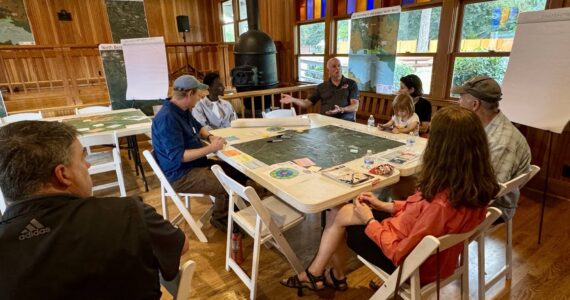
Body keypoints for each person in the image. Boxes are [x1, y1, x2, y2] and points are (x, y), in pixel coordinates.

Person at [281, 105, 500, 294]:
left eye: (431, 135)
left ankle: (324, 276)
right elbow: (420, 208)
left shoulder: (441, 204)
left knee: (339, 214)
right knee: (339, 210)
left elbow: (399, 253)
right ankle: (319, 274)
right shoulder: (471, 185)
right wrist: (385, 205)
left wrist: (370, 221)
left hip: (413, 266)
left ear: (441, 149)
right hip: (435, 256)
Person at [0, 121, 188, 300]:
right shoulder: (129, 214)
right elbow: (181, 245)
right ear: (63, 175)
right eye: (82, 158)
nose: (88, 165)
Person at [152, 74, 248, 231]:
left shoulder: (181, 108)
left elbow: (198, 126)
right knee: (228, 183)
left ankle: (230, 209)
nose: (200, 97)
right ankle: (220, 219)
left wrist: (210, 136)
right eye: (198, 94)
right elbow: (180, 156)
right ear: (189, 94)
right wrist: (211, 148)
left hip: (195, 164)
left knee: (238, 172)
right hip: (181, 174)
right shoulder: (167, 119)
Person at [454, 75, 531, 222]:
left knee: (421, 200)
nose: (459, 102)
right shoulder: (484, 126)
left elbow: (487, 192)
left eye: (461, 98)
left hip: (493, 209)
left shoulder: (502, 141)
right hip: (475, 192)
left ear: (475, 105)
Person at [280, 57, 359, 121]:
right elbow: (307, 103)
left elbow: (355, 106)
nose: (337, 69)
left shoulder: (351, 84)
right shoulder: (322, 86)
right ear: (328, 70)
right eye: (334, 66)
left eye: (339, 66)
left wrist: (341, 109)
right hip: (325, 121)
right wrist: (293, 99)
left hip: (345, 122)